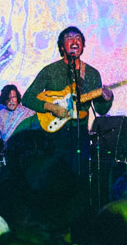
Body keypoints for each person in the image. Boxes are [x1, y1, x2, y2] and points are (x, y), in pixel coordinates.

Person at [21, 26, 113, 174]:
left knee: (79, 179)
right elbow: (27, 98)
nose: (74, 41)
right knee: (53, 178)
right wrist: (51, 107)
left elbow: (100, 110)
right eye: (69, 38)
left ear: (82, 45)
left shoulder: (92, 73)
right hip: (53, 136)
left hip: (80, 135)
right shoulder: (50, 70)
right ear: (62, 46)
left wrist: (108, 98)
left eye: (78, 38)